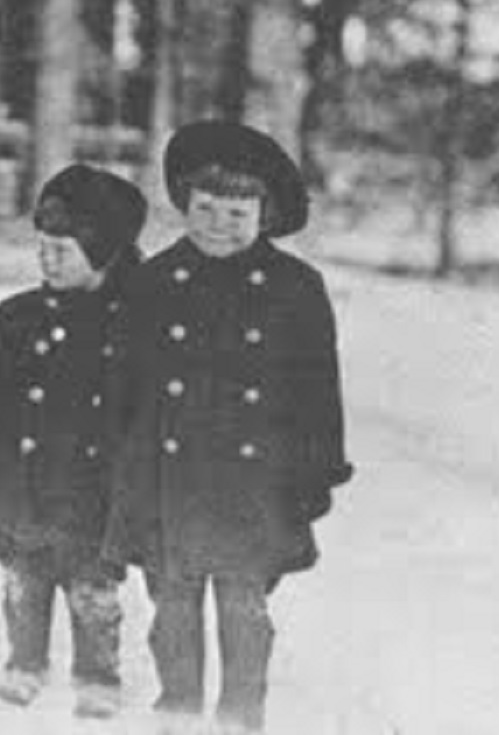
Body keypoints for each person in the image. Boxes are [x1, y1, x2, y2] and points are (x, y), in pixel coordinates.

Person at [103, 120, 354, 734]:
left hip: (255, 482)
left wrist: (315, 474)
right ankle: (178, 711)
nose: (218, 223)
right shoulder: (152, 281)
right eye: (204, 208)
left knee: (244, 605)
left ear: (265, 215)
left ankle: (242, 717)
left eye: (236, 212)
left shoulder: (297, 288)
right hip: (167, 478)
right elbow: (122, 389)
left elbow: (317, 391)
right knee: (173, 603)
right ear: (185, 205)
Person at [0, 163, 147, 720]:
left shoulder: (131, 325)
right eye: (43, 246)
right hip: (19, 482)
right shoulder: (17, 317)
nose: (46, 259)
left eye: (64, 249)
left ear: (103, 254)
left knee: (91, 592)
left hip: (93, 494)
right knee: (22, 582)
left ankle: (97, 675)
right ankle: (25, 661)